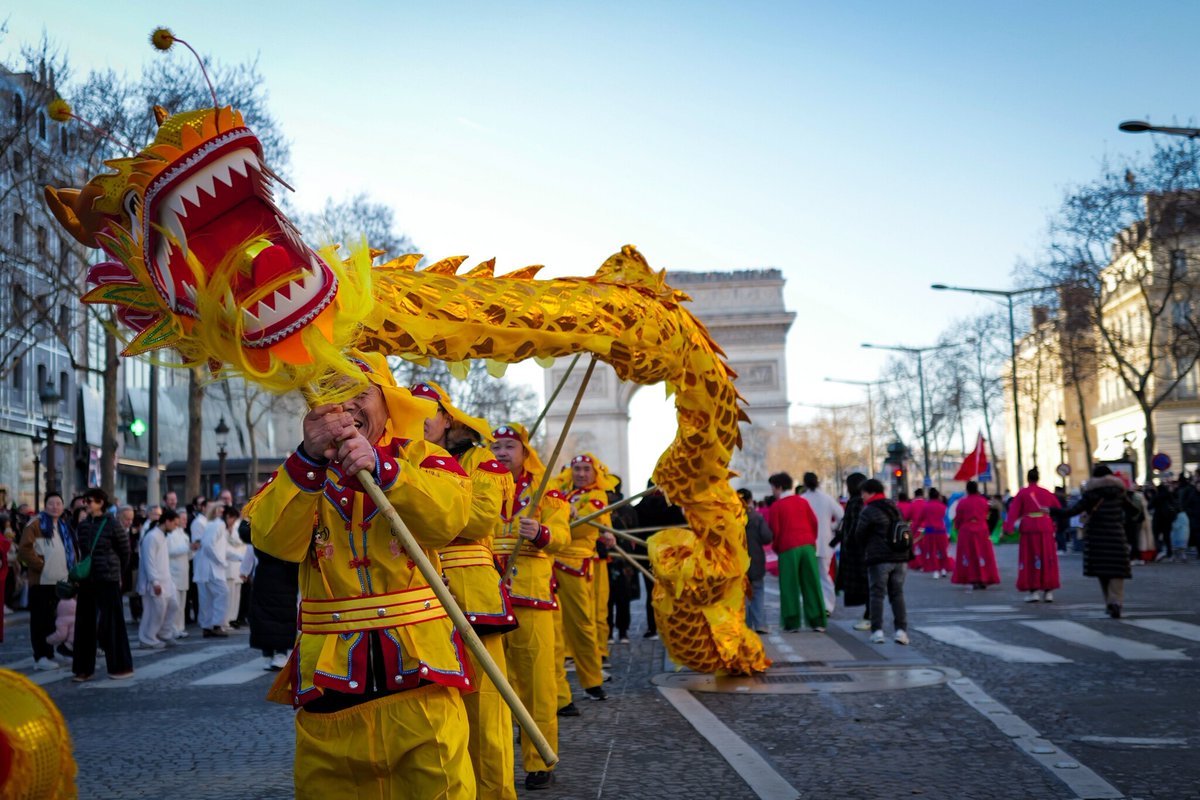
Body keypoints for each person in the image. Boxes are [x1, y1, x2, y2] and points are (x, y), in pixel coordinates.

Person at [245, 352, 476, 799]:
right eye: (330, 393)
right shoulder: (295, 474)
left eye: (359, 393)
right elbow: (272, 542)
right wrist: (307, 462)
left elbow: (449, 519)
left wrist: (384, 470)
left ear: (387, 403)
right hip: (329, 680)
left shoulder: (425, 459)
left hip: (420, 670)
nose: (345, 405)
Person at [414, 381, 518, 799]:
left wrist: (422, 510)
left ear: (447, 418)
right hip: (417, 596)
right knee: (435, 715)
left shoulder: (482, 461)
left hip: (471, 595)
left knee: (486, 711)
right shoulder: (403, 457)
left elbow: (479, 521)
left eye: (427, 410)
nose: (418, 418)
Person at [491, 423, 570, 791]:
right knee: (494, 688)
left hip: (532, 596)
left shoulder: (546, 491)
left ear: (525, 451)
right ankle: (494, 759)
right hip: (488, 597)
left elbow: (563, 536)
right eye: (497, 446)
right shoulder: (482, 485)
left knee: (537, 685)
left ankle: (540, 760)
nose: (502, 452)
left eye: (509, 446)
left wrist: (540, 532)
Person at [556, 453, 615, 702]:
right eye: (576, 469)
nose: (580, 474)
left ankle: (592, 681)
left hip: (575, 565)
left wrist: (562, 516)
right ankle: (558, 690)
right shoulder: (565, 496)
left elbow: (583, 528)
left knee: (583, 625)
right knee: (555, 630)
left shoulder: (597, 497)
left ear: (594, 474)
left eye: (585, 470)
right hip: (550, 563)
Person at [1053, 465, 1133, 618]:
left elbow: (1073, 511)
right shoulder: (1120, 492)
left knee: (1103, 571)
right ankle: (1116, 602)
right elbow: (1133, 510)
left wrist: (1052, 510)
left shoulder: (1091, 493)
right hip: (1116, 535)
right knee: (1117, 571)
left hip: (1097, 537)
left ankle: (1109, 603)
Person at [71, 488, 134, 681]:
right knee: (84, 624)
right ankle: (83, 669)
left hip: (108, 578)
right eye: (85, 501)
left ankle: (120, 666)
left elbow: (125, 551)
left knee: (113, 623)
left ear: (100, 502)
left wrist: (117, 572)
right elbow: (80, 552)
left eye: (89, 501)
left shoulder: (112, 524)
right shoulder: (82, 526)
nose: (86, 504)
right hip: (88, 579)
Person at [17, 493, 74, 668]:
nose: (55, 507)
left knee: (53, 619)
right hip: (41, 581)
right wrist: (43, 565)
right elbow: (24, 551)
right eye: (51, 503)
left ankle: (50, 653)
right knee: (39, 620)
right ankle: (40, 656)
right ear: (45, 506)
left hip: (59, 581)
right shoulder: (35, 525)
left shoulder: (63, 526)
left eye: (58, 503)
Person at [765, 472, 826, 633]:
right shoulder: (802, 501)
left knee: (789, 585)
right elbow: (814, 522)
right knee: (812, 583)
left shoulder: (777, 506)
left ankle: (792, 622)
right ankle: (817, 620)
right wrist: (810, 540)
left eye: (773, 488)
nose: (772, 491)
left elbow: (775, 530)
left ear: (778, 487)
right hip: (807, 545)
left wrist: (777, 547)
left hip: (787, 547)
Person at [855, 479, 911, 645]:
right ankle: (901, 631)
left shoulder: (869, 510)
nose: (862, 496)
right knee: (897, 594)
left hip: (879, 558)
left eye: (863, 493)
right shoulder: (894, 507)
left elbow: (859, 534)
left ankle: (877, 631)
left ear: (870, 492)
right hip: (901, 557)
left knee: (877, 594)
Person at [633, 484, 686, 639]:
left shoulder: (639, 508)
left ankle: (653, 627)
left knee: (652, 592)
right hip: (668, 556)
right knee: (671, 591)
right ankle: (672, 626)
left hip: (646, 555)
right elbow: (683, 530)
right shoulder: (672, 507)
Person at [1004, 468, 1061, 602]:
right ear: (1038, 478)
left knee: (1031, 558)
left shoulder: (1023, 493)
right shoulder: (1046, 492)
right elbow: (1058, 508)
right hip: (1045, 527)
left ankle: (1034, 591)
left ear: (1028, 478)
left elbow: (1013, 511)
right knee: (1048, 557)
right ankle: (1048, 592)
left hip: (1029, 527)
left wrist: (1008, 527)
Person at [798, 472, 843, 616]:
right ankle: (827, 606)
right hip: (825, 541)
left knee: (808, 576)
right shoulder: (827, 498)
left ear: (804, 483)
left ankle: (811, 604)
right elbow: (841, 515)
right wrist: (833, 527)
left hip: (807, 542)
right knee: (825, 575)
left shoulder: (802, 499)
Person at [135, 507, 181, 649]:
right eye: (175, 523)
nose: (176, 526)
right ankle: (147, 638)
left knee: (173, 605)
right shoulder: (152, 537)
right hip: (154, 582)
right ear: (167, 521)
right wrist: (154, 581)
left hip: (166, 580)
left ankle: (164, 633)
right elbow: (149, 561)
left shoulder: (161, 535)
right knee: (154, 611)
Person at [833, 473, 870, 630]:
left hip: (857, 552)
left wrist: (847, 542)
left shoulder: (855, 503)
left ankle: (870, 616)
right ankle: (869, 614)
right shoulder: (861, 501)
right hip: (861, 550)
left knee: (866, 584)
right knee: (867, 583)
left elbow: (855, 528)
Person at [951, 481, 1001, 591]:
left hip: (967, 530)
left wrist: (957, 527)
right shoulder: (983, 501)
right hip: (982, 529)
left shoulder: (962, 502)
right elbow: (989, 515)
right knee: (983, 554)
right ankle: (984, 577)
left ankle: (973, 578)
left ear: (967, 489)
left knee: (970, 555)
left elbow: (958, 518)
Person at [738, 487, 773, 634]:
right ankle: (759, 624)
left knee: (740, 595)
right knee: (757, 592)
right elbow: (767, 537)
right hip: (756, 560)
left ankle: (744, 626)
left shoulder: (731, 518)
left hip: (738, 562)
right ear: (750, 500)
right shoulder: (757, 517)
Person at [194, 502, 229, 638]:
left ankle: (207, 626)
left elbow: (220, 548)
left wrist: (239, 557)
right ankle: (217, 625)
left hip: (206, 569)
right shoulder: (219, 524)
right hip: (213, 569)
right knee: (222, 593)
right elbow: (209, 546)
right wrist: (221, 562)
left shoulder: (211, 525)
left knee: (206, 599)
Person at [165, 508, 193, 639]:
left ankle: (180, 627)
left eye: (186, 519)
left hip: (183, 573)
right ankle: (173, 628)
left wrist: (193, 550)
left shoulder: (185, 535)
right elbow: (170, 551)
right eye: (182, 519)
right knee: (175, 604)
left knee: (182, 604)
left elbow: (187, 555)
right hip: (174, 573)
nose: (185, 521)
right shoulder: (171, 535)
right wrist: (188, 548)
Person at [918, 488, 952, 577]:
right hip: (941, 531)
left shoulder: (926, 506)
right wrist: (948, 532)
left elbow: (919, 519)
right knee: (943, 551)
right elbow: (947, 521)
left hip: (930, 532)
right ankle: (944, 569)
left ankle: (936, 571)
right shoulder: (943, 507)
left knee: (932, 552)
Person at [222, 506, 247, 628]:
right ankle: (226, 620)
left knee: (236, 596)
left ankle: (232, 619)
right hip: (229, 566)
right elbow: (237, 540)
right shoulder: (226, 530)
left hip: (238, 566)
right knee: (229, 596)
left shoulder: (238, 526)